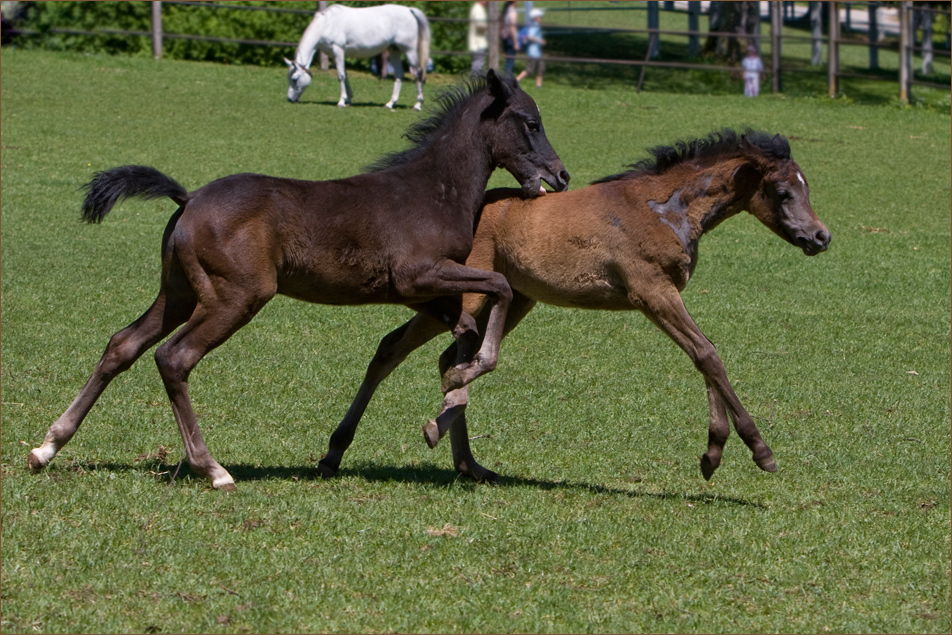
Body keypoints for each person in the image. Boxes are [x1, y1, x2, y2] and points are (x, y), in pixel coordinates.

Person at [516, 8, 546, 88]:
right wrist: (540, 41)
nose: (541, 18)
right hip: (533, 52)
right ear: (535, 17)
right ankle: (516, 80)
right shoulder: (534, 25)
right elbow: (530, 37)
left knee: (540, 68)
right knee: (529, 69)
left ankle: (538, 86)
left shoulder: (535, 25)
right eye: (539, 16)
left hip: (538, 52)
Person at [468, 1, 489, 73]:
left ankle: (476, 79)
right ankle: (475, 80)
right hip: (477, 42)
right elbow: (479, 25)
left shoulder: (479, 8)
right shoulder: (477, 9)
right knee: (478, 62)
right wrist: (491, 26)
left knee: (480, 62)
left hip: (479, 41)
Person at [501, 1, 520, 75]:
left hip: (505, 38)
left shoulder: (506, 11)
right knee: (510, 61)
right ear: (514, 2)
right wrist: (515, 42)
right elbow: (512, 28)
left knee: (508, 59)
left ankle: (506, 77)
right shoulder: (512, 12)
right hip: (510, 38)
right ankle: (507, 79)